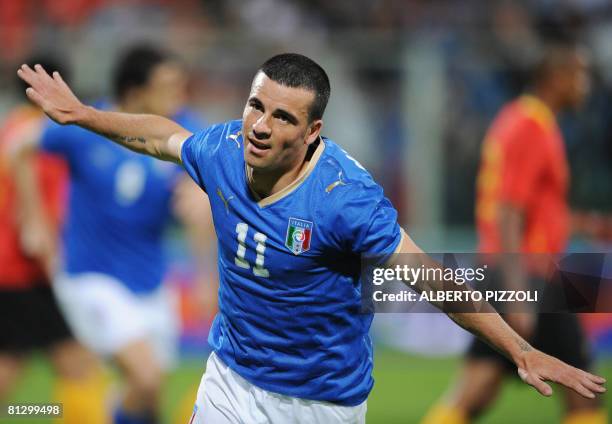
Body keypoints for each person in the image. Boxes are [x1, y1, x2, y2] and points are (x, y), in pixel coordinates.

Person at [16, 52, 606, 424]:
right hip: (233, 381)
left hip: (323, 403)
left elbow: (431, 279)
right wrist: (83, 114)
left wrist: (519, 348)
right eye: (255, 106)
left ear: (313, 129)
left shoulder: (346, 201)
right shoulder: (222, 148)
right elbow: (159, 137)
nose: (260, 127)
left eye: (283, 118)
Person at [12, 45, 210, 424]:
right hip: (92, 277)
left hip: (152, 281)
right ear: (136, 93)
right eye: (168, 87)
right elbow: (20, 146)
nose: (178, 97)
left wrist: (203, 274)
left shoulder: (186, 130)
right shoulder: (86, 125)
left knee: (146, 394)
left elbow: (201, 206)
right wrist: (35, 219)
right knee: (146, 377)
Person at [421, 43, 608, 424]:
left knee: (477, 388)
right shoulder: (531, 126)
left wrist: (586, 225)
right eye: (579, 75)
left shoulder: (517, 120)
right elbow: (507, 212)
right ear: (555, 78)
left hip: (507, 269)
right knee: (583, 391)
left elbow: (531, 208)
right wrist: (520, 292)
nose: (585, 85)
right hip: (528, 274)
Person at [0, 55, 108, 424]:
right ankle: (51, 415)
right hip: (27, 273)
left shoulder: (11, 129)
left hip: (11, 271)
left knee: (11, 364)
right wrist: (53, 260)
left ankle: (33, 414)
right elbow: (31, 221)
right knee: (79, 365)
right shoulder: (39, 137)